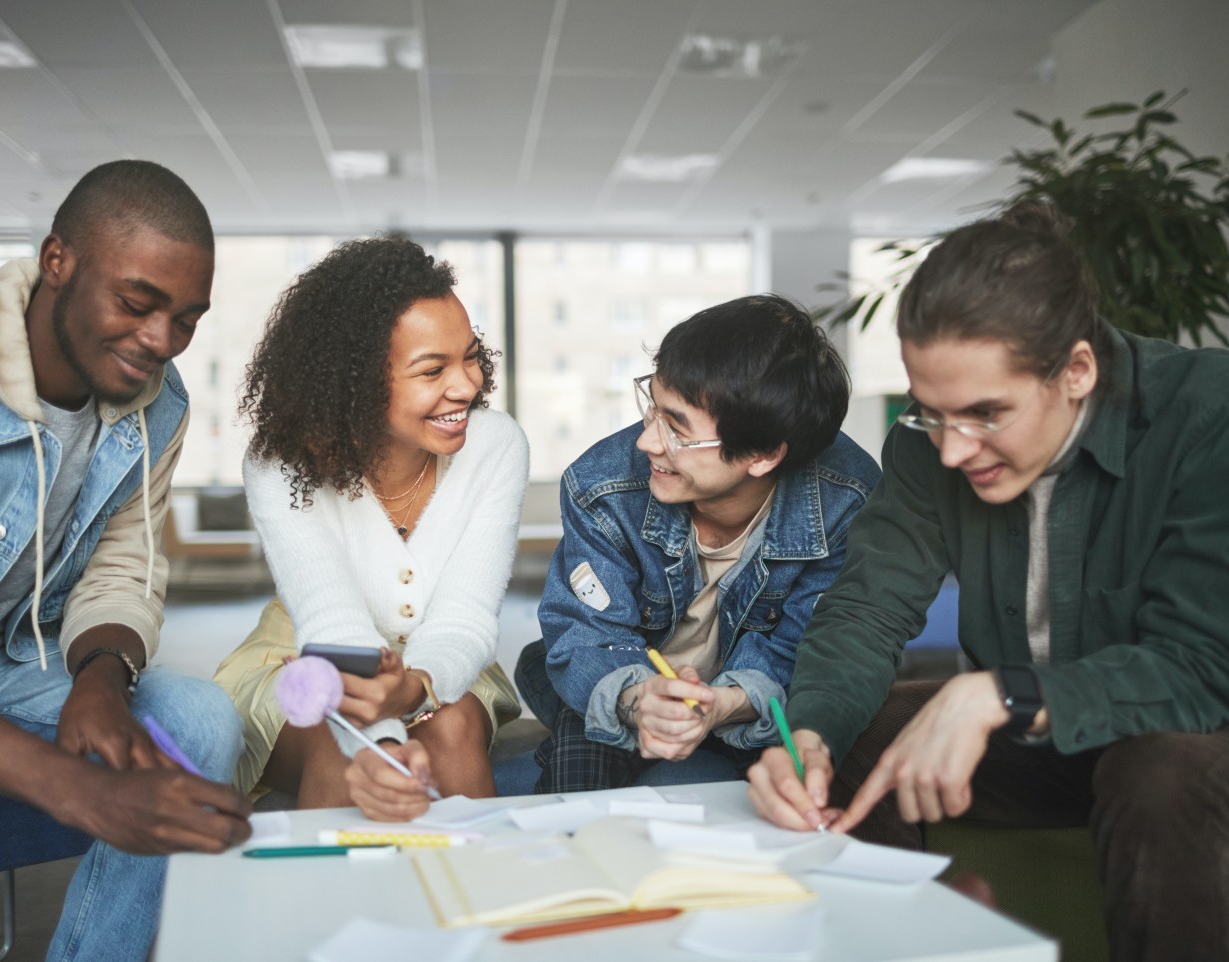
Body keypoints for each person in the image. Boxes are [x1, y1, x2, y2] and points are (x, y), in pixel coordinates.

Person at [747, 201, 1229, 962]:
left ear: (1077, 370)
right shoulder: (928, 441)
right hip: (1051, 740)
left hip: (1192, 736)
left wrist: (999, 692)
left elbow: (1205, 668)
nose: (950, 451)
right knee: (860, 732)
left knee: (1155, 768)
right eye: (931, 415)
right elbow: (866, 609)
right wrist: (810, 736)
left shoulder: (1207, 413)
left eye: (984, 415)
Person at [0, 160, 251, 962]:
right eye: (138, 303)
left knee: (200, 718)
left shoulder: (160, 405)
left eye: (186, 319)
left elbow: (124, 564)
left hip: (1, 665)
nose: (161, 341)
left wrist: (102, 679)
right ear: (57, 262)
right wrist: (82, 792)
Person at [213, 235, 528, 820]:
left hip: (447, 657)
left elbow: (464, 615)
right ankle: (336, 912)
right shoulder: (279, 463)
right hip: (308, 659)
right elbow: (332, 619)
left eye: (470, 356)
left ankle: (484, 903)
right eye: (432, 369)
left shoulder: (496, 446)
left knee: (452, 724)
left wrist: (418, 686)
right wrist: (381, 739)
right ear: (353, 381)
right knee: (343, 746)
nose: (467, 386)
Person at [516, 294, 881, 793]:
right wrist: (642, 699)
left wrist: (722, 706)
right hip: (624, 670)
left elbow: (808, 652)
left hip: (751, 692)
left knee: (786, 781)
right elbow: (586, 635)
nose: (647, 442)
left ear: (762, 454)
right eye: (653, 409)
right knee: (580, 757)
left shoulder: (845, 498)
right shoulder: (602, 484)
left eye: (677, 430)